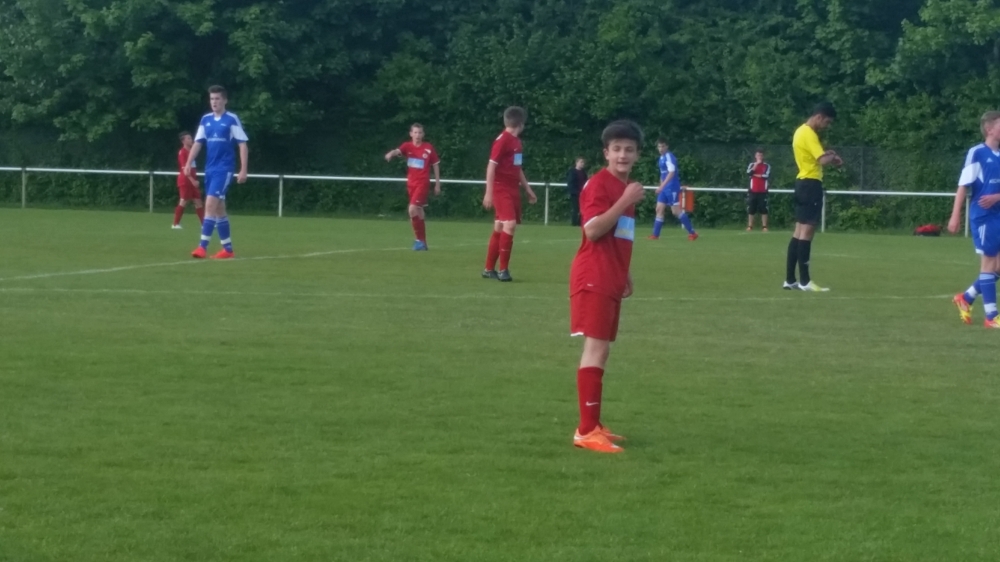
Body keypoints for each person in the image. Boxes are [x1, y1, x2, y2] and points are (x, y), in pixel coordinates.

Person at [569, 120, 646, 454]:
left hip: (610, 276)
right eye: (616, 149)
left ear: (637, 154)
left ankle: (593, 424)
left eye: (629, 150)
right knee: (595, 349)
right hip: (593, 276)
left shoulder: (623, 188)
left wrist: (624, 272)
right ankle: (586, 431)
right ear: (606, 153)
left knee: (603, 349)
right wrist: (624, 200)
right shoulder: (600, 185)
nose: (622, 155)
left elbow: (618, 236)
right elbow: (593, 230)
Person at [184, 85, 249, 259]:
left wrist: (243, 169)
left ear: (225, 100)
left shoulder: (231, 119)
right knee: (219, 209)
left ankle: (202, 247)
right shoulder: (206, 120)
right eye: (212, 99)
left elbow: (242, 144)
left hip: (224, 168)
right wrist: (189, 163)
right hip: (210, 169)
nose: (214, 102)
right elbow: (198, 143)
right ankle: (227, 250)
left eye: (218, 98)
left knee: (210, 205)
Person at [949, 111, 1000, 328]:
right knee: (988, 264)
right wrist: (955, 216)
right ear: (990, 129)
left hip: (998, 215)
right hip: (983, 217)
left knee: (997, 267)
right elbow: (963, 186)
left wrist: (997, 196)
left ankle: (966, 298)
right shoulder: (977, 153)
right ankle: (991, 317)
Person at [784, 102, 841, 291]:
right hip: (810, 184)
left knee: (798, 232)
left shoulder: (799, 131)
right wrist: (833, 156)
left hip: (801, 183)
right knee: (807, 232)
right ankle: (805, 281)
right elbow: (822, 160)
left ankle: (790, 279)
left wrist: (827, 154)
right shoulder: (809, 133)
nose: (827, 126)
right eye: (827, 122)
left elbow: (816, 156)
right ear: (819, 117)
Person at [481, 106, 538, 282]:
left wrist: (527, 189)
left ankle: (488, 269)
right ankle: (503, 270)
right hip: (500, 188)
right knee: (510, 224)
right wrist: (488, 193)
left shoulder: (516, 142)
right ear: (521, 124)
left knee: (500, 226)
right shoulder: (502, 140)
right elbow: (491, 167)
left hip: (512, 188)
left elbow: (517, 168)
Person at [384, 124, 441, 250]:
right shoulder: (407, 146)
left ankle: (418, 240)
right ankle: (423, 243)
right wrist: (391, 153)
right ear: (411, 134)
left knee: (412, 209)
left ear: (423, 134)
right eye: (415, 132)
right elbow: (398, 151)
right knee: (418, 212)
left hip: (423, 183)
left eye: (420, 133)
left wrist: (437, 184)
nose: (418, 135)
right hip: (411, 184)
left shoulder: (428, 148)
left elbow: (436, 165)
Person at [649, 139, 697, 241]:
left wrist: (662, 186)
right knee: (659, 209)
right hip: (664, 187)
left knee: (675, 211)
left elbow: (671, 173)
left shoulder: (669, 157)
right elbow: (663, 174)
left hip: (671, 187)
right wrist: (661, 186)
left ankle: (692, 233)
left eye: (663, 146)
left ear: (667, 146)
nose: (661, 149)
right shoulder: (661, 158)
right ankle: (655, 235)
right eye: (659, 147)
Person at [172, 131, 205, 229]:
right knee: (183, 201)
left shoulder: (191, 152)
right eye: (189, 138)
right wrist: (193, 180)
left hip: (192, 180)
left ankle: (204, 224)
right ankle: (175, 224)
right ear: (183, 141)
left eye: (191, 138)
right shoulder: (182, 152)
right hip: (185, 180)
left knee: (198, 201)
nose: (191, 140)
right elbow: (184, 169)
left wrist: (194, 180)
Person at [746, 148, 770, 232]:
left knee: (763, 209)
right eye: (758, 155)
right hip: (753, 191)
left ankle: (764, 226)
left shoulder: (766, 166)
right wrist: (756, 165)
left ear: (763, 156)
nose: (759, 156)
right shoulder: (752, 165)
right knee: (751, 209)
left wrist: (755, 175)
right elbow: (749, 173)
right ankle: (750, 226)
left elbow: (766, 176)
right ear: (755, 156)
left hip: (763, 191)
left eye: (761, 155)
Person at [566, 157, 588, 226]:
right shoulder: (572, 172)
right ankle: (574, 222)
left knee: (582, 208)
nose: (582, 164)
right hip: (575, 194)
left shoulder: (583, 172)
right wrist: (575, 192)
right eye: (581, 162)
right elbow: (571, 183)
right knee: (576, 208)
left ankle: (580, 222)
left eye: (583, 162)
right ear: (577, 163)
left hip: (583, 193)